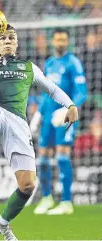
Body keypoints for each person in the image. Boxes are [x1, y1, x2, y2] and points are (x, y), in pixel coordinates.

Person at [0, 25, 78, 240]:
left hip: (16, 124)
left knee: (28, 184)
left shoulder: (28, 67)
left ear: (17, 42)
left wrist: (70, 105)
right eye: (3, 39)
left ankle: (2, 223)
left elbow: (51, 88)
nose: (8, 41)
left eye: (12, 38)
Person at [30, 28, 87, 215]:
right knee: (43, 158)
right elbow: (47, 93)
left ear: (67, 41)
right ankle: (46, 198)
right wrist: (39, 113)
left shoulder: (74, 63)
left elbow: (81, 92)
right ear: (53, 41)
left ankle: (66, 201)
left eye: (63, 39)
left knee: (62, 156)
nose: (60, 42)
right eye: (57, 39)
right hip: (48, 116)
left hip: (65, 117)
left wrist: (68, 108)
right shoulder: (49, 63)